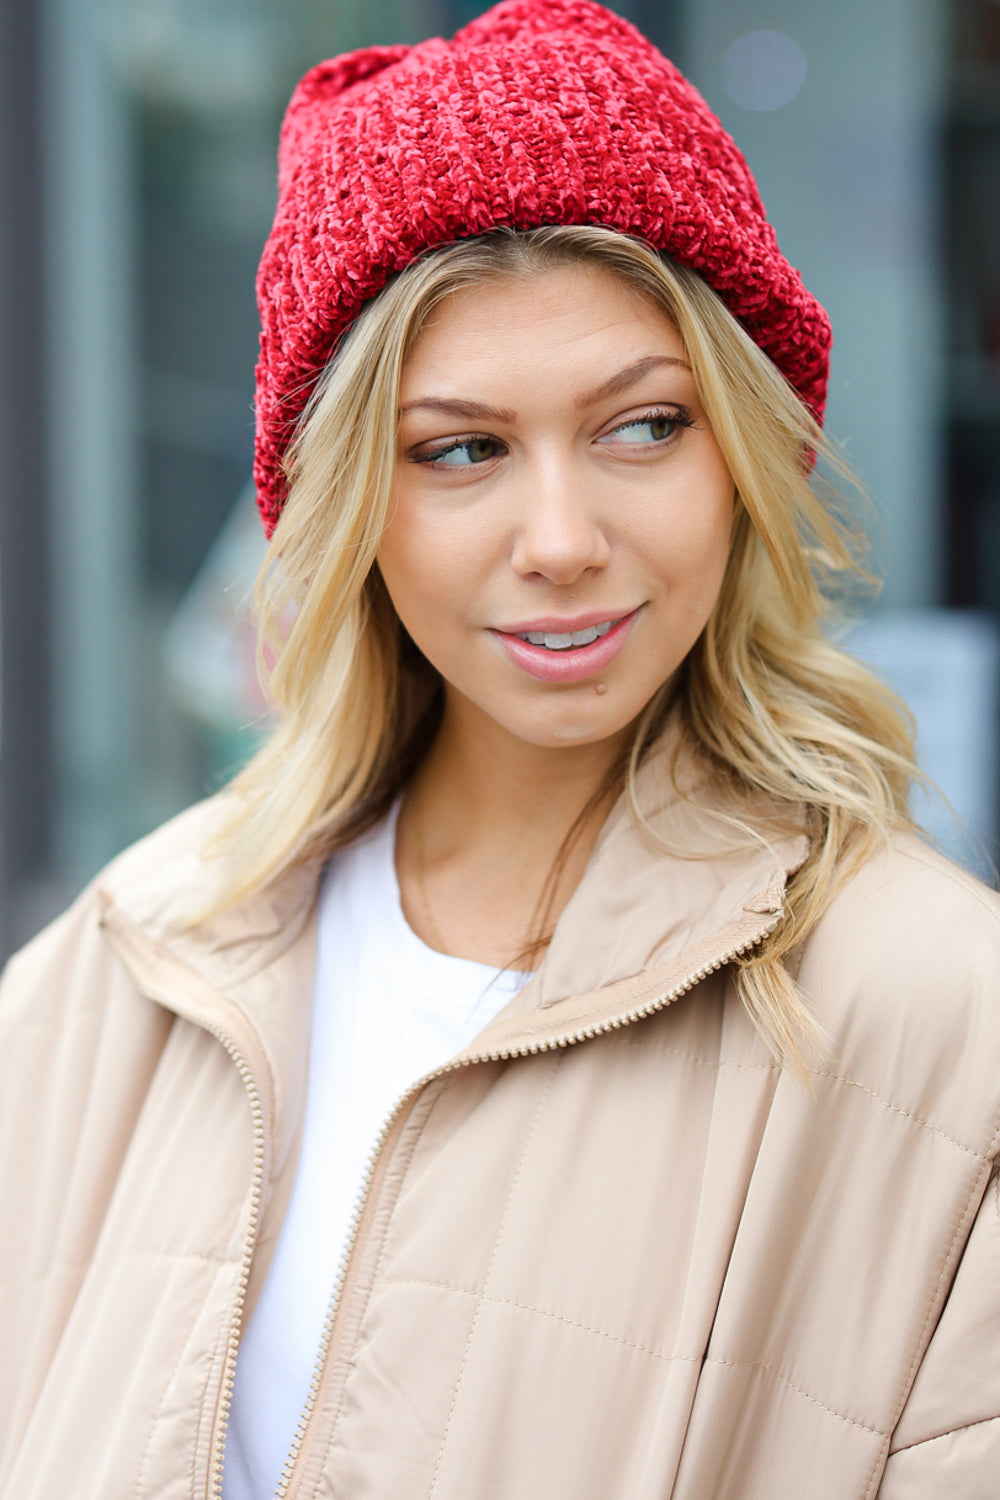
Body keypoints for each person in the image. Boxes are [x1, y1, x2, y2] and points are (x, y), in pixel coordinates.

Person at [2, 1, 999, 1496]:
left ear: (738, 449)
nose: (561, 542)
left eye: (642, 427)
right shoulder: (126, 966)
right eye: (460, 449)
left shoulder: (943, 1016)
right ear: (353, 505)